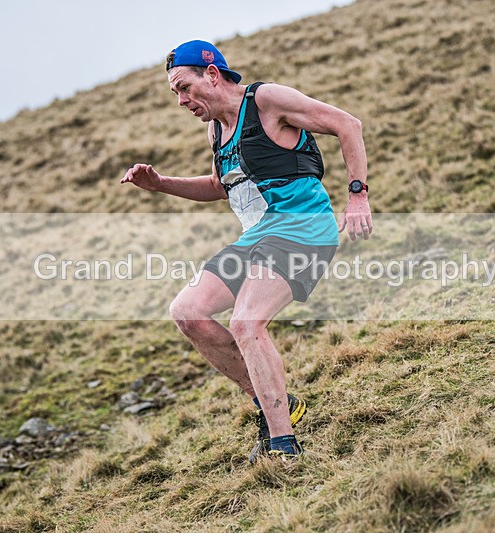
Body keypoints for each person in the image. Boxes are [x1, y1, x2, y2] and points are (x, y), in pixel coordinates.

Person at [121, 40, 371, 461]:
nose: (181, 101)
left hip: (303, 229)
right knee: (187, 312)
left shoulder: (267, 100)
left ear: (212, 75)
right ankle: (277, 404)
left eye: (184, 88)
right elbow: (222, 187)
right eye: (175, 93)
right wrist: (161, 183)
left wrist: (357, 196)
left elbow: (349, 124)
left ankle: (283, 446)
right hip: (257, 237)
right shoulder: (216, 128)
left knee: (246, 322)